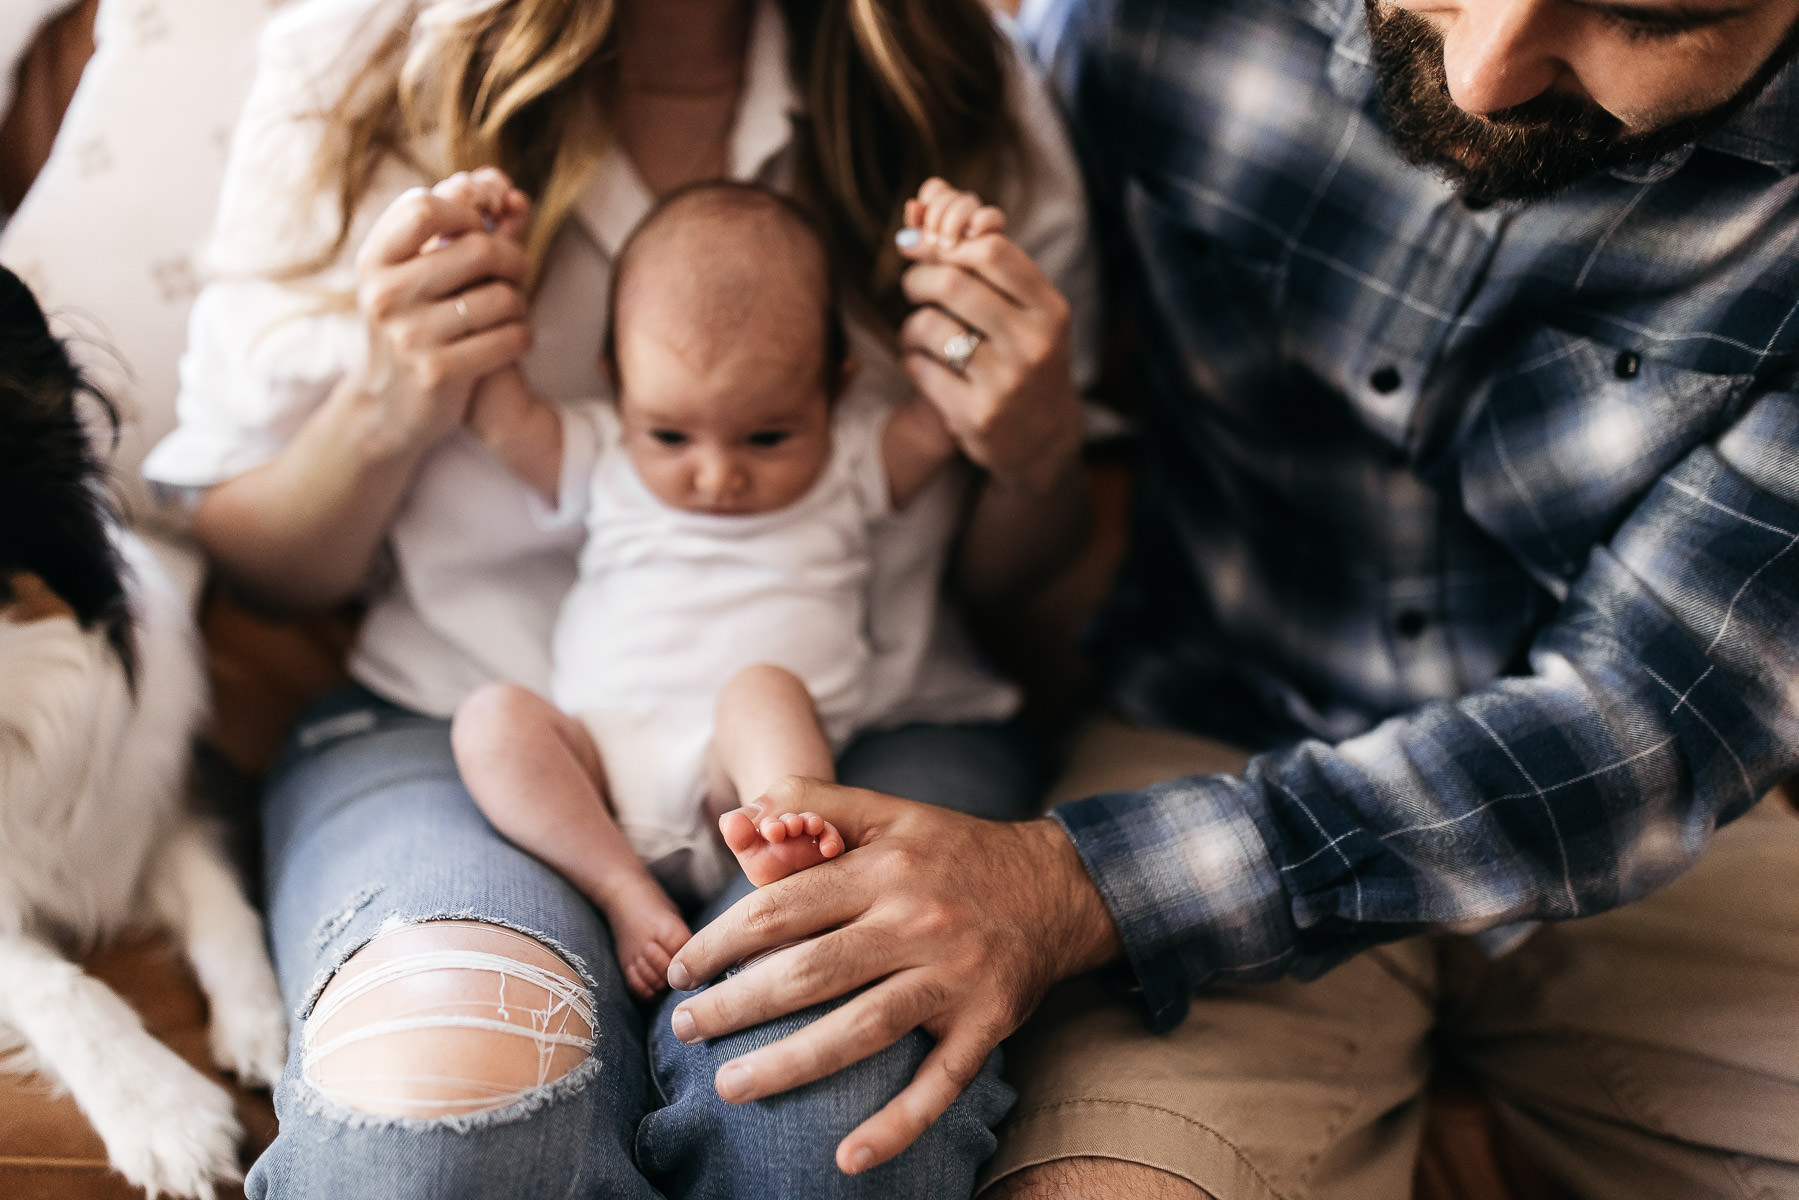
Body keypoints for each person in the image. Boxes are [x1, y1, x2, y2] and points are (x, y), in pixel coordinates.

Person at [653, 0, 1799, 1195]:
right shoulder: (1140, 22)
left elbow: (1653, 720)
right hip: (1193, 737)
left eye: (1647, 16)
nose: (1479, 78)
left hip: (1664, 846)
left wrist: (1067, 885)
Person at [141, 0, 1099, 1194]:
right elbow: (261, 572)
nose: (710, 470)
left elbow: (1024, 573)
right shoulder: (362, 59)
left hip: (878, 722)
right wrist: (386, 403)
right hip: (457, 722)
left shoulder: (947, 70)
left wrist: (1033, 444)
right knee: (447, 1105)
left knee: (824, 1125)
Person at [448, 175, 1004, 1000]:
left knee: (760, 690)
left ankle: (790, 858)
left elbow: (951, 407)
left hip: (743, 782)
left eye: (767, 435)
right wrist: (480, 262)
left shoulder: (849, 465)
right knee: (491, 719)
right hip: (597, 768)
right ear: (616, 384)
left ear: (837, 388)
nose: (716, 473)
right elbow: (496, 410)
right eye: (669, 433)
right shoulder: (602, 455)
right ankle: (617, 888)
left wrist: (960, 272)